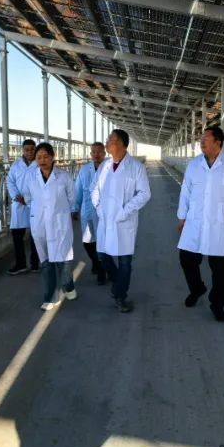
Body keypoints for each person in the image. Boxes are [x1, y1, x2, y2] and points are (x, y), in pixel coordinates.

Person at [177, 126, 224, 322]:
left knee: (219, 269)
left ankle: (217, 305)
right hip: (195, 221)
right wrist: (182, 217)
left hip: (220, 223)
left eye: (206, 139)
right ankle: (197, 288)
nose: (202, 141)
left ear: (218, 142)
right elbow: (185, 192)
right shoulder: (194, 164)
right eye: (201, 139)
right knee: (186, 259)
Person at [91, 129, 151, 313]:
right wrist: (98, 207)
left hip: (124, 221)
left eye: (111, 139)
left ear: (121, 143)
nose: (107, 141)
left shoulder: (136, 167)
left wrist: (125, 211)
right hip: (105, 218)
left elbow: (144, 194)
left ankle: (120, 296)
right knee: (102, 255)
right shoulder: (104, 166)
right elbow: (94, 188)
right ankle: (118, 283)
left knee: (125, 261)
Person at [19, 142, 77, 310]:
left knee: (63, 261)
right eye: (39, 157)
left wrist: (59, 211)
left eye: (45, 157)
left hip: (60, 224)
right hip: (40, 224)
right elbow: (28, 198)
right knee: (46, 262)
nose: (42, 160)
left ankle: (68, 286)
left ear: (53, 157)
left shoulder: (63, 176)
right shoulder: (31, 177)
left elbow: (72, 198)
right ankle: (51, 297)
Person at [73, 141, 108, 285]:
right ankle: (96, 262)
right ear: (90, 154)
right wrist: (75, 208)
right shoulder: (84, 170)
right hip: (87, 210)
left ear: (104, 153)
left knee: (103, 242)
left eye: (99, 152)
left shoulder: (110, 168)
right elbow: (78, 190)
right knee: (87, 241)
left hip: (105, 211)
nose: (96, 154)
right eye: (94, 152)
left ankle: (102, 270)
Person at [6, 139, 41, 275]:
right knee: (17, 235)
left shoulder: (39, 164)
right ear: (23, 150)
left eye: (32, 149)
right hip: (19, 203)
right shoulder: (16, 164)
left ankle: (35, 263)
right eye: (27, 150)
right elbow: (10, 181)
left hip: (35, 203)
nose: (30, 152)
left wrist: (30, 198)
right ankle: (21, 264)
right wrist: (16, 196)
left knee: (35, 235)